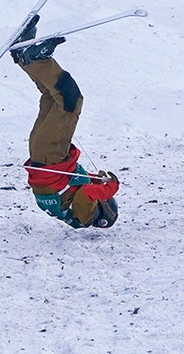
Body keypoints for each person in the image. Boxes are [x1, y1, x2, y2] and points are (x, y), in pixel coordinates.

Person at [13, 15, 119, 228]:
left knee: (71, 101)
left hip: (52, 155)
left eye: (105, 201)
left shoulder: (84, 216)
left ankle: (37, 60)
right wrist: (96, 180)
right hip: (43, 154)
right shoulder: (68, 205)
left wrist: (110, 188)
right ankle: (23, 54)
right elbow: (78, 187)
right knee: (52, 97)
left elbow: (87, 194)